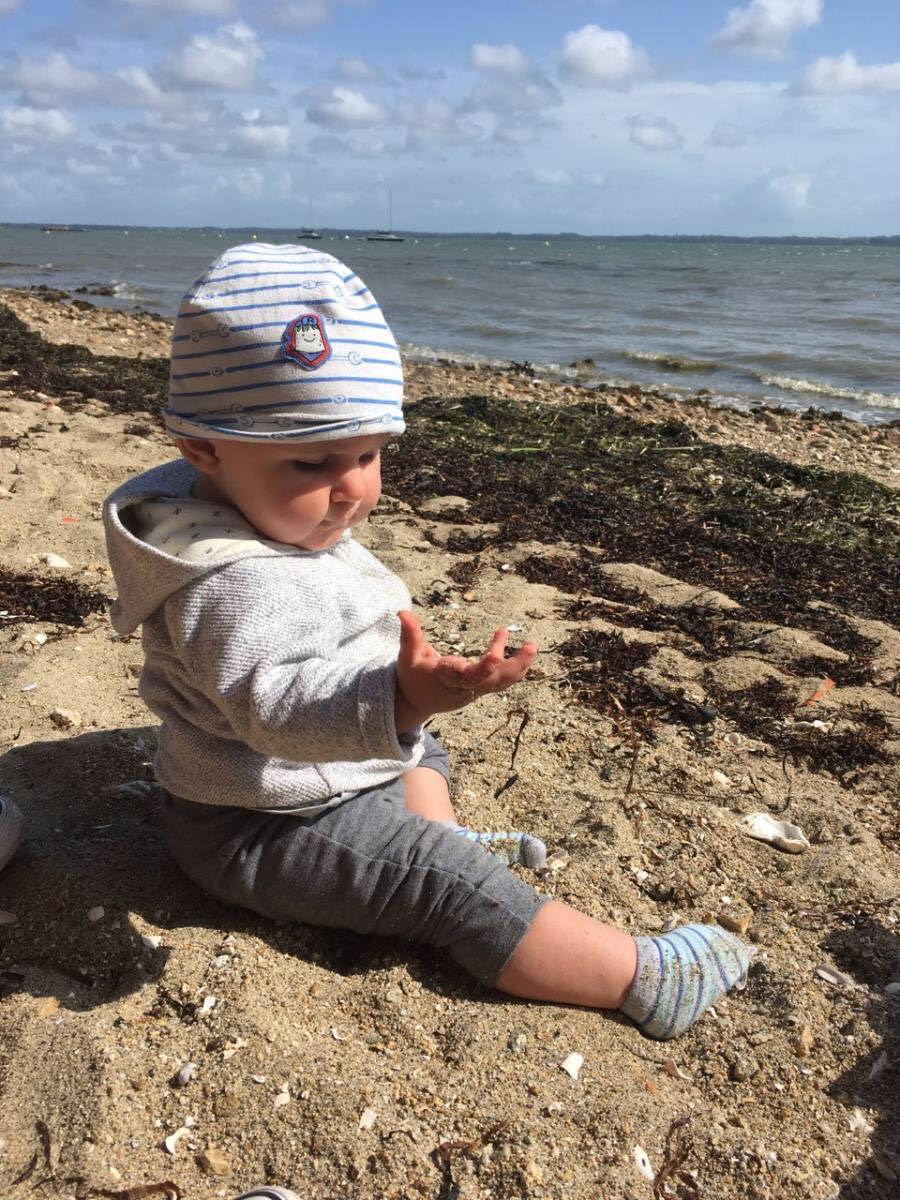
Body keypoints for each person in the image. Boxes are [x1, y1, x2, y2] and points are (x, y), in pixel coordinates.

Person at [103, 243, 750, 1040]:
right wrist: (400, 697)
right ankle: (639, 978)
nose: (354, 487)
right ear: (203, 450)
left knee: (425, 753)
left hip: (333, 773)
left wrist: (408, 703)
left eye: (370, 454)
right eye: (313, 461)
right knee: (449, 886)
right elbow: (273, 709)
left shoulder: (255, 500)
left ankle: (430, 833)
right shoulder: (227, 581)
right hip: (259, 827)